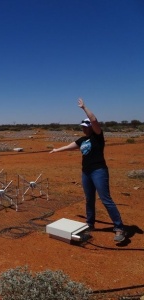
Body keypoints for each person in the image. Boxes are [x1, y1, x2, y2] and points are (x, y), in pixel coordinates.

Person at [49, 98, 125, 242]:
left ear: (91, 127)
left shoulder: (97, 136)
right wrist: (56, 150)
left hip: (99, 171)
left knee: (105, 199)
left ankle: (119, 228)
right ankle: (90, 224)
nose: (84, 128)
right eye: (83, 126)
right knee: (89, 199)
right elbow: (70, 146)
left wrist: (84, 108)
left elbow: (94, 120)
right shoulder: (82, 140)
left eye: (86, 126)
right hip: (86, 172)